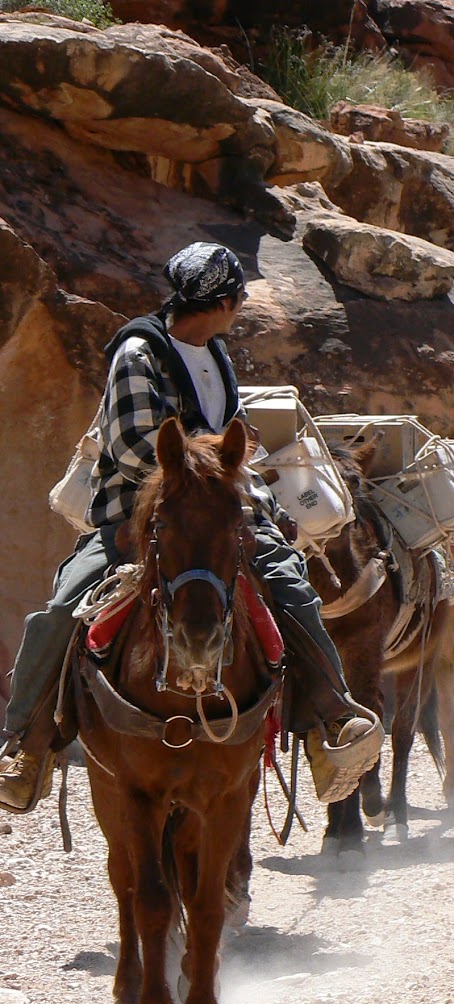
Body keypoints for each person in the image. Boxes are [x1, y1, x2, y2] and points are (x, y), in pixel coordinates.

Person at [0, 242, 381, 814]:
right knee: (61, 609)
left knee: (295, 589)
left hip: (219, 512)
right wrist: (202, 478)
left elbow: (234, 441)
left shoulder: (216, 356)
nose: (240, 308)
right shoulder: (138, 352)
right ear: (223, 302)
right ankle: (25, 746)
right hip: (138, 514)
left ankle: (329, 719)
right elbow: (131, 445)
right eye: (240, 299)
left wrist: (249, 494)